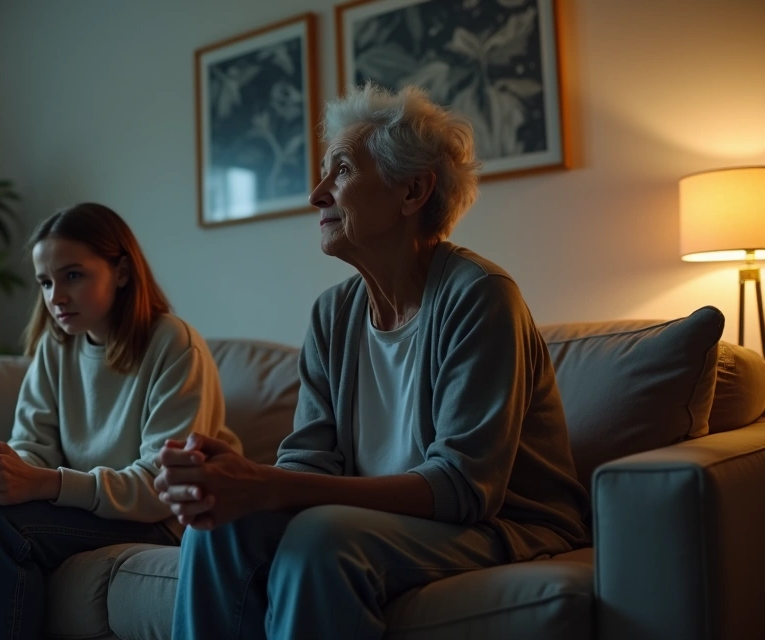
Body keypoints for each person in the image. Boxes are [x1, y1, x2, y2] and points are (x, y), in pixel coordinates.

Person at [156, 82, 591, 639]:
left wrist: (269, 485)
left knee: (320, 543)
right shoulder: (332, 314)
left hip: (508, 525)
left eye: (340, 170)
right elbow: (310, 464)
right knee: (215, 530)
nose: (316, 194)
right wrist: (235, 482)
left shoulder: (479, 295)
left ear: (413, 191)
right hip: (388, 522)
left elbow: (464, 488)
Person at [0, 203, 241, 640]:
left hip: (163, 517)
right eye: (45, 282)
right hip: (91, 503)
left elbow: (161, 488)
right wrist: (2, 469)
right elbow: (34, 446)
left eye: (72, 275)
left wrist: (44, 483)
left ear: (121, 271)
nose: (56, 297)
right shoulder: (57, 346)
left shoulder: (173, 344)